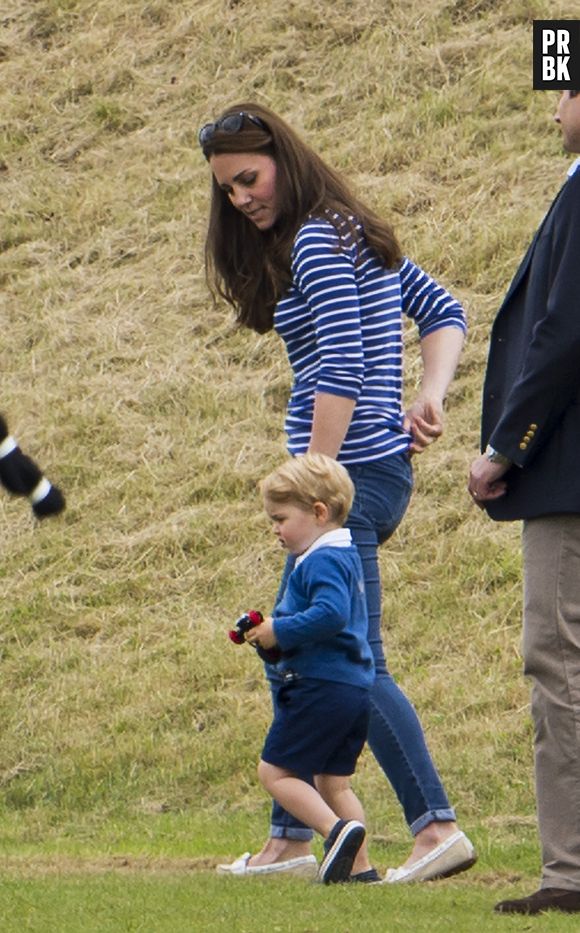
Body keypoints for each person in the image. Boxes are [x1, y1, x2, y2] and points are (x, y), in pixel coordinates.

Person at [201, 101, 476, 883]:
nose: (240, 198)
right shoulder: (348, 230)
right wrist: (431, 394)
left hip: (342, 479)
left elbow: (342, 371)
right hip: (377, 474)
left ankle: (435, 828)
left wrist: (313, 480)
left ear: (283, 159)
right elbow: (444, 311)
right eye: (226, 190)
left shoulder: (321, 241)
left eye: (248, 179)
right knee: (305, 647)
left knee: (357, 660)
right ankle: (292, 839)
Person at [468, 90, 580, 916]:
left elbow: (562, 329)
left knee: (558, 658)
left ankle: (572, 870)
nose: (554, 110)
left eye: (567, 92)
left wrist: (508, 443)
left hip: (570, 477)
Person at [246, 453, 373, 883]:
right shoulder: (345, 555)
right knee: (333, 782)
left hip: (321, 686)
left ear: (319, 512)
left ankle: (335, 833)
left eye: (281, 518)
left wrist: (279, 629)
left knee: (275, 771)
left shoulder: (320, 559)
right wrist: (270, 644)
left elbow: (330, 615)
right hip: (352, 687)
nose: (275, 530)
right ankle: (360, 870)